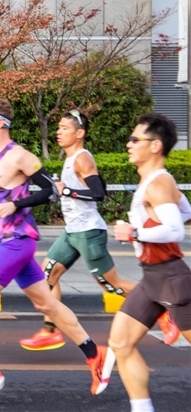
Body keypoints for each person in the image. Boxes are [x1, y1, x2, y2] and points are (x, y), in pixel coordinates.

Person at [0, 98, 115, 403]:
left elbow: (49, 191)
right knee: (47, 305)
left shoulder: (20, 156)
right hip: (5, 240)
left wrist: (15, 205)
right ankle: (96, 354)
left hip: (18, 240)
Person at [19, 111, 180, 351]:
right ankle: (50, 331)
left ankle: (164, 311)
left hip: (88, 233)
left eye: (64, 128)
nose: (58, 132)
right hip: (72, 232)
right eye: (59, 127)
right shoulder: (72, 159)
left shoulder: (82, 158)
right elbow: (98, 182)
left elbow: (98, 193)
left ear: (80, 133)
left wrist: (66, 191)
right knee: (47, 276)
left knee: (111, 285)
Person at [109, 113, 191, 412]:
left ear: (155, 146)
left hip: (170, 279)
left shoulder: (158, 183)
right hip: (152, 279)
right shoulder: (156, 182)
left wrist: (134, 232)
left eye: (135, 139)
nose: (129, 144)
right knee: (120, 343)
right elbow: (186, 211)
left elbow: (175, 230)